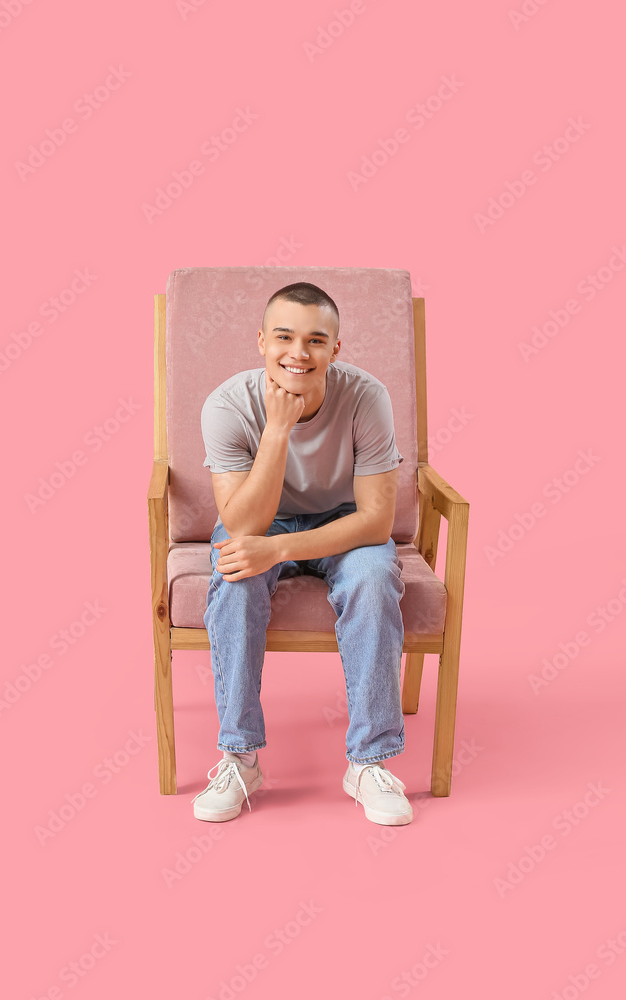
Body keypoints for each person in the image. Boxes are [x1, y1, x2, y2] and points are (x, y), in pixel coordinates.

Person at [192, 281, 412, 826]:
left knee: (374, 575)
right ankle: (239, 757)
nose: (299, 353)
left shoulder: (366, 396)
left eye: (316, 340)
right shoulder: (226, 404)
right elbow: (243, 524)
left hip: (345, 524)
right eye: (285, 337)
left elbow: (376, 520)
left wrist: (281, 548)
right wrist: (278, 429)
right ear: (261, 341)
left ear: (336, 349)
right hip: (262, 519)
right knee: (236, 578)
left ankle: (369, 761)